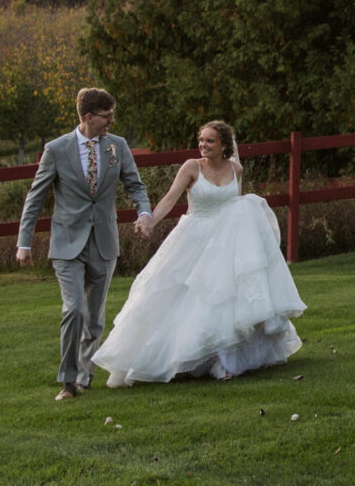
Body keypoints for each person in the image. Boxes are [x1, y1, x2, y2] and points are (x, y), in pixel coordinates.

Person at [91, 119, 305, 385]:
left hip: (228, 242)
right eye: (201, 140)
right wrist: (149, 220)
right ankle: (177, 358)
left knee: (225, 301)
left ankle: (225, 361)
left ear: (224, 145)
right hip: (194, 237)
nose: (203, 145)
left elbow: (235, 205)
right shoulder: (192, 167)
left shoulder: (236, 169)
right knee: (185, 299)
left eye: (210, 141)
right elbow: (170, 198)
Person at [16, 87, 152, 401]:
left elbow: (135, 184)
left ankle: (84, 375)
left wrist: (144, 212)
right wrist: (24, 242)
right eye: (107, 116)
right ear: (88, 117)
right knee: (74, 310)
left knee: (94, 318)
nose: (112, 121)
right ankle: (67, 381)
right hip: (66, 244)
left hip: (104, 243)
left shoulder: (117, 146)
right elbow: (35, 199)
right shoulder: (57, 149)